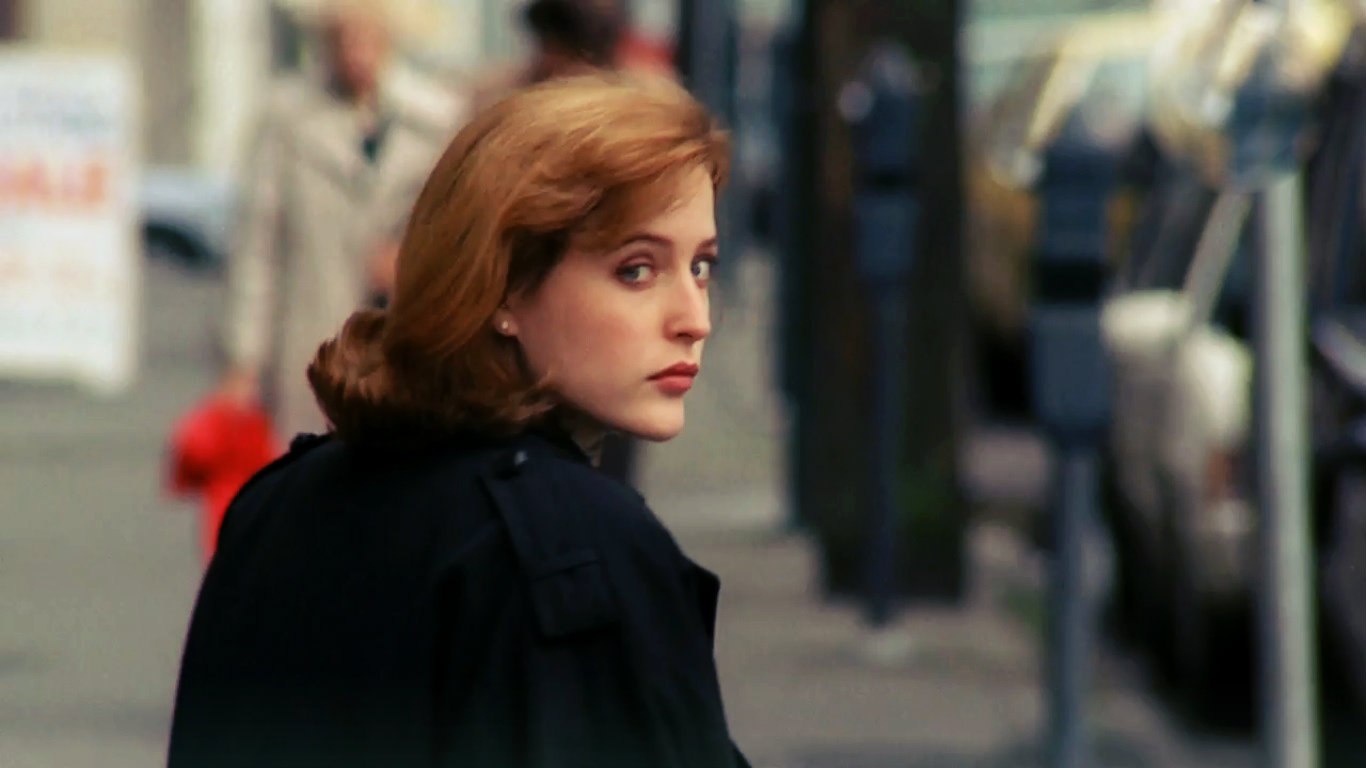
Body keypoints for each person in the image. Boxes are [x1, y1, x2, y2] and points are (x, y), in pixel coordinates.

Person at [167, 72, 749, 768]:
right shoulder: (579, 550)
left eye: (702, 266)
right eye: (636, 270)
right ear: (502, 286)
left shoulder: (275, 506)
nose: (693, 318)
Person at [218, 0, 463, 441]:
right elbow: (257, 245)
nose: (356, 52)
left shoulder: (436, 120)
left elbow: (460, 230)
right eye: (343, 37)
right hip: (310, 334)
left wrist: (413, 260)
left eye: (367, 36)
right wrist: (244, 359)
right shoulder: (286, 120)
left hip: (404, 340)